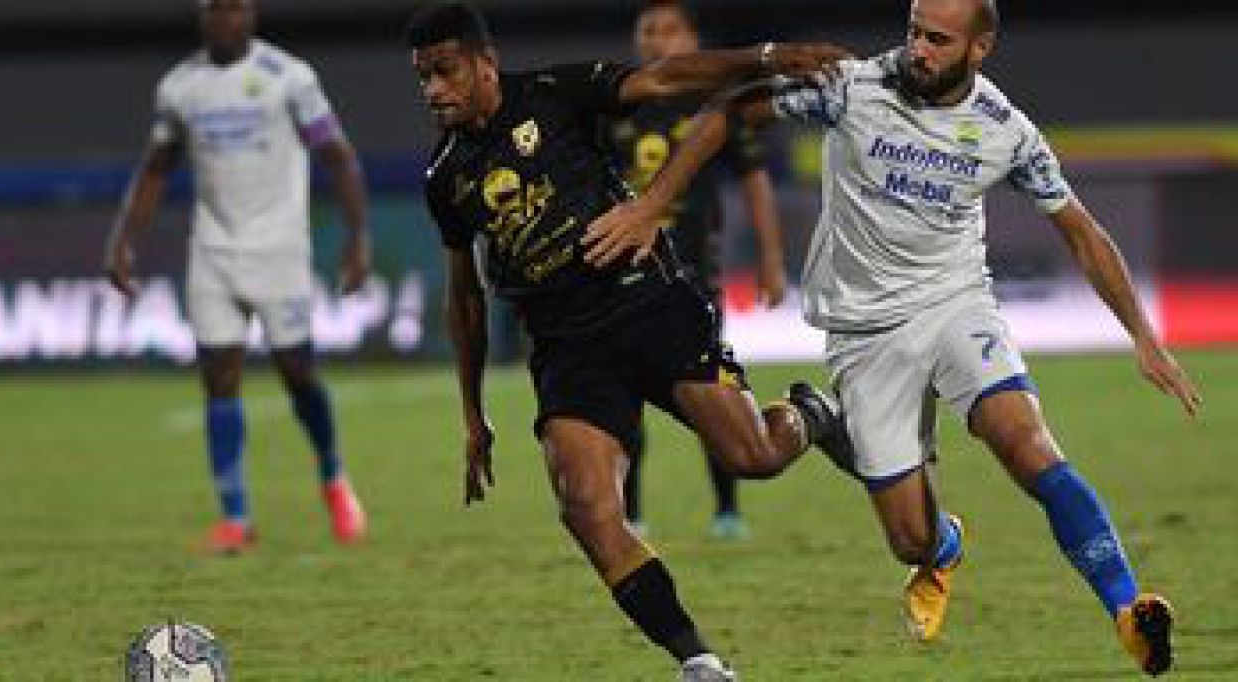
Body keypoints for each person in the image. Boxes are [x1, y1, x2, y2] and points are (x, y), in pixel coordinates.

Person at [585, 0, 1202, 675]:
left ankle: (1126, 608)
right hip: (865, 332)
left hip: (955, 305)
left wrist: (1143, 336)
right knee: (910, 539)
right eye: (914, 32)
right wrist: (651, 205)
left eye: (938, 40)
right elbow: (731, 111)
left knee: (1026, 442)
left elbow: (1080, 230)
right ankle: (939, 542)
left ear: (979, 49)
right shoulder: (851, 88)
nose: (919, 50)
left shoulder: (1004, 129)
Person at [406, 3, 849, 679]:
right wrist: (473, 415)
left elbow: (665, 79)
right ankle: (698, 661)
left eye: (445, 71)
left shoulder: (553, 94)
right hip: (565, 345)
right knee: (585, 507)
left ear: (484, 63)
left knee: (753, 456)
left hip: (647, 302)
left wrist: (764, 57)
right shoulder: (445, 176)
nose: (433, 90)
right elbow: (464, 298)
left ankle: (811, 414)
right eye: (423, 77)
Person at [105, 0, 372, 554]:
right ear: (201, 15)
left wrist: (357, 237)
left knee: (298, 375)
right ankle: (235, 516)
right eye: (215, 9)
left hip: (280, 252)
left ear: (251, 14)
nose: (226, 18)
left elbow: (337, 155)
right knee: (218, 377)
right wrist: (123, 240)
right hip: (212, 251)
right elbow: (156, 168)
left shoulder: (290, 78)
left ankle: (332, 476)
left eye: (235, 8)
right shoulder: (180, 86)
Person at [611, 0, 790, 541]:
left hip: (692, 278)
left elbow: (754, 179)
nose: (656, 40)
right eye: (647, 30)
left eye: (668, 30)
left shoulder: (715, 105)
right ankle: (631, 515)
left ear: (692, 40)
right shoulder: (618, 106)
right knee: (624, 393)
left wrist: (771, 258)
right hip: (626, 276)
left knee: (712, 392)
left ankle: (727, 511)